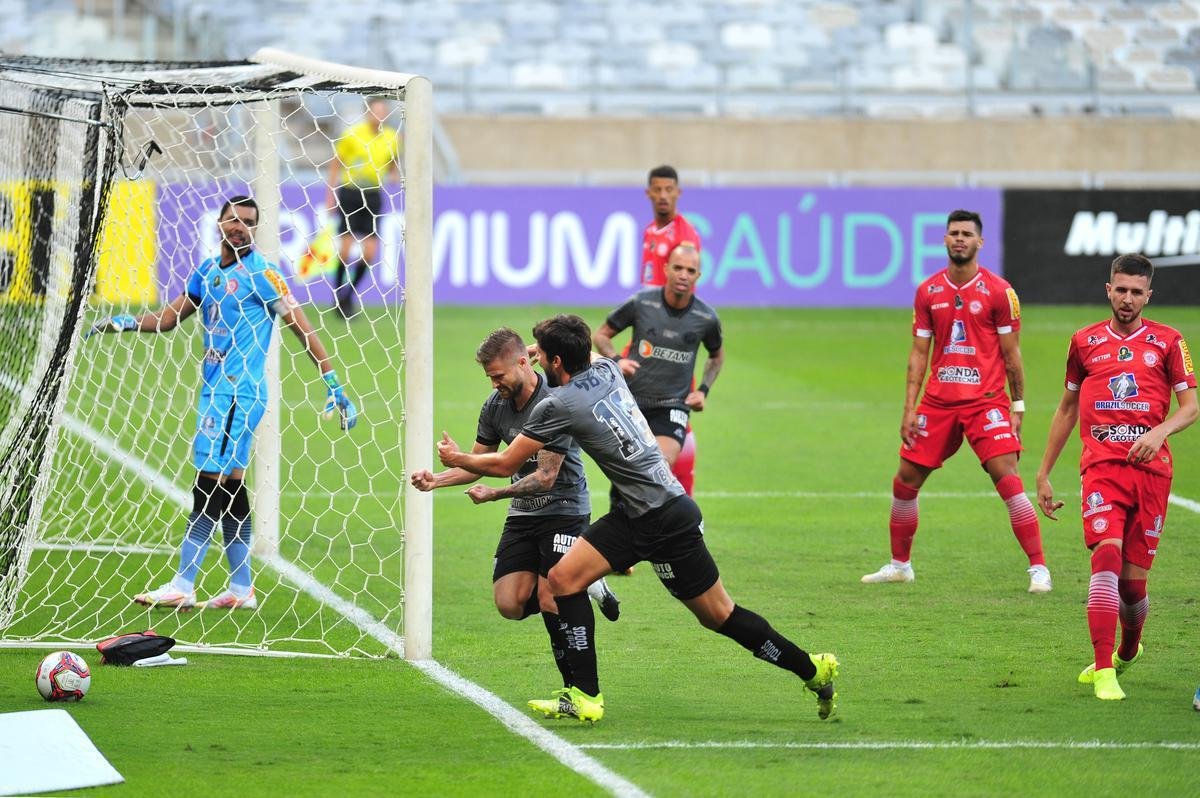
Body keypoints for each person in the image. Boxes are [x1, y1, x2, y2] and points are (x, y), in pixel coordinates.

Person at [437, 314, 838, 724]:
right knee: (566, 580)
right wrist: (539, 351)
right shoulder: (608, 370)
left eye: (542, 355)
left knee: (713, 615)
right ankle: (585, 695)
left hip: (657, 518)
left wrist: (457, 458)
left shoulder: (559, 404)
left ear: (555, 361)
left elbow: (505, 463)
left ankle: (812, 668)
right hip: (654, 510)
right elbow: (585, 353)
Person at [87, 195, 357, 611]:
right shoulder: (207, 272)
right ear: (220, 223)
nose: (241, 227)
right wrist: (123, 322)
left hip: (239, 393)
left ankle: (183, 582)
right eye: (234, 219)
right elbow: (168, 319)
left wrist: (332, 380)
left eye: (249, 222)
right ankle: (242, 586)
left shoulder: (264, 275)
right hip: (216, 392)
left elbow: (302, 328)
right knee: (230, 486)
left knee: (207, 483)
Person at [409, 328, 620, 692]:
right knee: (509, 603)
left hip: (565, 507)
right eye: (489, 377)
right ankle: (585, 581)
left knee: (551, 595)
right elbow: (479, 462)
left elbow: (545, 478)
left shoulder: (554, 402)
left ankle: (575, 691)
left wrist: (495, 493)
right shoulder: (495, 406)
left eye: (498, 376)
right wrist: (436, 480)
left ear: (523, 362)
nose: (494, 384)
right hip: (524, 513)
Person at [861, 210, 1052, 593]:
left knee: (1007, 478)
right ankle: (900, 565)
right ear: (945, 240)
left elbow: (1012, 355)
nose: (960, 238)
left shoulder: (1000, 292)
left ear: (980, 242)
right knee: (905, 480)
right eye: (954, 233)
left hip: (986, 402)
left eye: (967, 233)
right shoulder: (928, 291)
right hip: (938, 403)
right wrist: (909, 408)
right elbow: (919, 354)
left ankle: (1039, 569)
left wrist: (1017, 407)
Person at [1035, 254, 1197, 701]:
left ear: (1149, 295)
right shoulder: (1084, 342)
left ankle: (1127, 649)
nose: (1127, 299)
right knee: (1105, 557)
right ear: (1108, 290)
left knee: (1132, 586)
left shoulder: (1169, 341)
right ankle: (1104, 669)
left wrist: (1159, 432)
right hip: (1102, 468)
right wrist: (1044, 472)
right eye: (1121, 289)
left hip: (1151, 473)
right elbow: (1067, 408)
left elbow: (1190, 408)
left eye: (1136, 292)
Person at [593, 243, 723, 488]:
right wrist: (617, 360)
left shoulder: (706, 318)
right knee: (627, 477)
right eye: (678, 268)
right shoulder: (642, 303)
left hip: (672, 406)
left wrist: (703, 390)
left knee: (656, 467)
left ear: (698, 275)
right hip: (631, 403)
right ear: (666, 269)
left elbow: (716, 356)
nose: (683, 275)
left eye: (690, 271)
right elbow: (601, 335)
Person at [641, 165, 703, 495]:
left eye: (669, 190)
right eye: (658, 190)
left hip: (669, 343)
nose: (663, 195)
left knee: (675, 414)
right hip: (648, 335)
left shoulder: (684, 236)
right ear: (649, 193)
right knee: (655, 414)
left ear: (678, 193)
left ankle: (684, 499)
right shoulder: (650, 231)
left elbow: (683, 297)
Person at [325, 97, 402, 318]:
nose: (379, 116)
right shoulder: (352, 134)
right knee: (345, 250)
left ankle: (347, 296)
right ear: (368, 112)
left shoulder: (392, 137)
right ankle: (338, 294)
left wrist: (394, 175)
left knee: (369, 253)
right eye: (376, 111)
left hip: (373, 194)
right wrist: (330, 195)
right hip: (351, 193)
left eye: (383, 112)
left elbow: (392, 161)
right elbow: (336, 163)